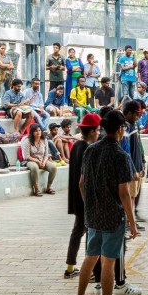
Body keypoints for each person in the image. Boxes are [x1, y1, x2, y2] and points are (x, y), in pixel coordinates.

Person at [70, 110, 138, 295]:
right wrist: (132, 222)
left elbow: (82, 183)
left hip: (93, 216)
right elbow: (125, 194)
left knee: (90, 258)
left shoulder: (90, 151)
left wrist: (90, 205)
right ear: (120, 130)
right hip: (112, 217)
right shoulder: (121, 156)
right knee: (108, 263)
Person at [65, 112, 100, 280]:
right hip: (85, 198)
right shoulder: (88, 149)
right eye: (98, 130)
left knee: (78, 231)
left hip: (77, 198)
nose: (99, 133)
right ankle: (92, 270)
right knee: (90, 233)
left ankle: (70, 266)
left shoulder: (77, 147)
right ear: (92, 131)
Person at [22, 123, 57, 196]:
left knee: (53, 168)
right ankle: (36, 189)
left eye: (39, 130)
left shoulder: (44, 140)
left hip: (42, 159)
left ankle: (48, 187)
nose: (38, 132)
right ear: (32, 132)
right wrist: (37, 161)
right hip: (31, 160)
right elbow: (27, 156)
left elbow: (46, 154)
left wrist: (44, 162)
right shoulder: (27, 141)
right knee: (34, 168)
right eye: (36, 131)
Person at [0, 43, 16, 108]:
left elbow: (12, 66)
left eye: (4, 48)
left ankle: (5, 106)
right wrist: (7, 65)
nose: (3, 50)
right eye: (2, 48)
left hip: (8, 76)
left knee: (7, 92)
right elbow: (1, 65)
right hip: (1, 75)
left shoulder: (7, 57)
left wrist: (5, 65)